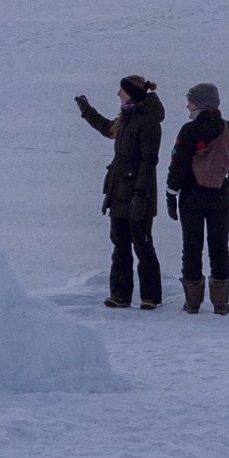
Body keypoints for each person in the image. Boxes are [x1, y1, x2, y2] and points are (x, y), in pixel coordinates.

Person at [75, 76, 165, 309]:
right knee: (120, 245)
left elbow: (149, 161)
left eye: (121, 91)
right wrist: (87, 111)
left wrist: (141, 195)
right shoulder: (127, 115)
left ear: (131, 93)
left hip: (139, 195)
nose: (118, 94)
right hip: (118, 192)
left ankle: (151, 297)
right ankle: (120, 295)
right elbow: (108, 129)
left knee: (143, 246)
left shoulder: (148, 121)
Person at [166, 81, 229, 314]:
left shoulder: (189, 130)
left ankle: (193, 303)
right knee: (220, 247)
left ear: (199, 104)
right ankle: (221, 303)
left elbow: (178, 164)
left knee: (191, 247)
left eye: (190, 101)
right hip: (220, 195)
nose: (187, 106)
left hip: (191, 196)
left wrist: (171, 193)